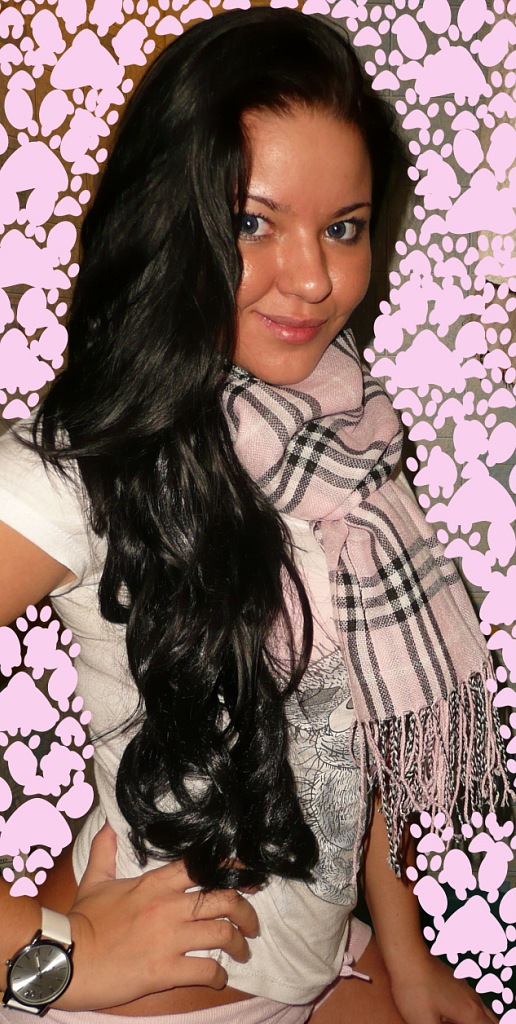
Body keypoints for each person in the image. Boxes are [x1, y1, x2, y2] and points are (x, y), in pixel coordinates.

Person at [0, 9, 510, 1024]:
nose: (314, 279)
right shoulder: (81, 469)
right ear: (173, 220)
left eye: (343, 227)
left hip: (316, 967)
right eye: (252, 223)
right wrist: (52, 953)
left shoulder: (344, 440)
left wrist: (402, 947)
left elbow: (347, 728)